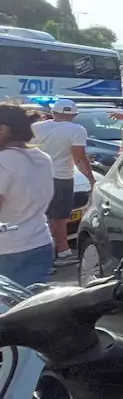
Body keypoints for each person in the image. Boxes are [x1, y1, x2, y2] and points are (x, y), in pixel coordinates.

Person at [32, 99, 94, 266]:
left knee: (41, 217)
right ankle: (61, 254)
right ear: (74, 115)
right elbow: (79, 158)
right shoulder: (77, 130)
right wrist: (91, 179)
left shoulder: (37, 127)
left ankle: (51, 254)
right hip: (62, 177)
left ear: (53, 113)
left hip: (37, 177)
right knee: (59, 217)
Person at [0, 103, 55, 287]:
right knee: (27, 310)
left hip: (6, 249)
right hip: (40, 243)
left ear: (3, 129)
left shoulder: (4, 161)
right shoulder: (43, 158)